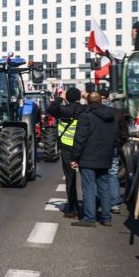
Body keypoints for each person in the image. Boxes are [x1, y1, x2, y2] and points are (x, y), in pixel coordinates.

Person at [70, 92, 118, 227]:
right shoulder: (111, 115)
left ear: (88, 101)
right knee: (104, 187)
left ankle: (89, 218)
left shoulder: (86, 116)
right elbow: (116, 135)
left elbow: (80, 138)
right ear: (101, 100)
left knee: (89, 188)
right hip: (105, 156)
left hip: (88, 157)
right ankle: (106, 217)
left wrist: (75, 157)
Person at [48, 88, 86, 218]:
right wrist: (86, 96)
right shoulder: (85, 109)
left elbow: (51, 109)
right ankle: (89, 207)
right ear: (80, 97)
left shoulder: (63, 110)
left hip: (67, 147)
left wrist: (60, 98)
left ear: (67, 98)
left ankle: (73, 208)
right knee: (88, 178)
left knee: (70, 179)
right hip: (83, 147)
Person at [106, 95, 129, 213]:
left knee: (97, 177)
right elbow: (124, 134)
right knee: (112, 175)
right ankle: (115, 204)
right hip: (112, 149)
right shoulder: (118, 114)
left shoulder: (90, 112)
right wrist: (117, 144)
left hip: (95, 151)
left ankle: (100, 202)